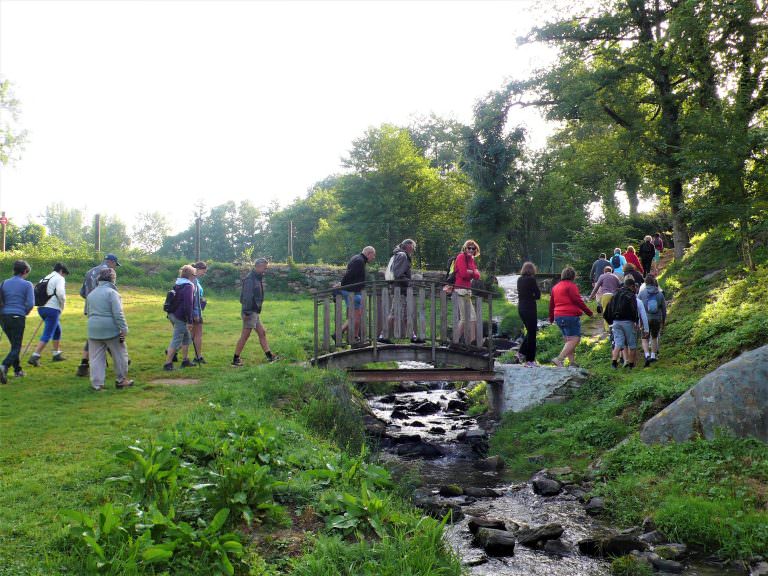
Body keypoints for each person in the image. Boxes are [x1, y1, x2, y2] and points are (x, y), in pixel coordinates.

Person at [86, 267, 132, 391]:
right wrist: (124, 328)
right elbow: (118, 313)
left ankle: (97, 385)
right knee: (120, 355)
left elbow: (88, 312)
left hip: (93, 328)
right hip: (110, 329)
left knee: (96, 359)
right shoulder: (112, 293)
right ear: (113, 279)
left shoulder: (91, 294)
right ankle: (121, 380)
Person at [76, 254, 121, 377]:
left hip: (90, 307)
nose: (115, 268)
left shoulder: (89, 271)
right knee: (109, 333)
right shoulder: (108, 272)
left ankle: (84, 364)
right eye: (115, 265)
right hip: (104, 308)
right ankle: (121, 361)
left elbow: (82, 292)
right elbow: (110, 291)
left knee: (94, 334)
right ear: (111, 262)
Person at [233, 258, 278, 366]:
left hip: (254, 311)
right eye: (264, 268)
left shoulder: (257, 278)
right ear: (257, 266)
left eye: (266, 268)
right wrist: (247, 312)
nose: (265, 270)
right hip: (250, 311)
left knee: (262, 332)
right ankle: (235, 359)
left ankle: (269, 356)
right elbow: (246, 297)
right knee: (245, 335)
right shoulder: (250, 279)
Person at [548, 266, 593, 368]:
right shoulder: (571, 286)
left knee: (568, 341)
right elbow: (577, 300)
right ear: (573, 276)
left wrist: (551, 318)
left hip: (558, 316)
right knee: (575, 339)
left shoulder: (555, 287)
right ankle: (559, 359)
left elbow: (551, 304)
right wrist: (589, 312)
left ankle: (572, 363)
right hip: (570, 316)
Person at [28, 263, 70, 367]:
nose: (64, 276)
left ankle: (56, 354)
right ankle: (35, 356)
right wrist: (62, 306)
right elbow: (60, 293)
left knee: (57, 330)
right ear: (61, 271)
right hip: (52, 309)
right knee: (48, 333)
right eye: (64, 274)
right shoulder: (59, 278)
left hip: (41, 308)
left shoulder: (46, 277)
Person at [0, 260, 34, 383]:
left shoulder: (4, 283)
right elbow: (30, 303)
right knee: (16, 347)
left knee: (14, 345)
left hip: (3, 318)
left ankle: (17, 370)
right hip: (17, 317)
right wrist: (24, 312)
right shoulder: (27, 284)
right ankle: (4, 366)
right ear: (24, 271)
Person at [379, 239, 417, 344]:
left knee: (405, 314)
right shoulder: (403, 256)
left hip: (400, 289)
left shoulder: (399, 255)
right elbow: (398, 274)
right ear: (408, 246)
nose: (413, 249)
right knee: (395, 313)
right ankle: (382, 336)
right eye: (413, 246)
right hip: (399, 289)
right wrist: (409, 282)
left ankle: (412, 336)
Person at [605, 276, 647, 370]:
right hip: (628, 322)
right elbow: (634, 309)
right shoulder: (631, 295)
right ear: (632, 286)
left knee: (618, 343)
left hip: (615, 322)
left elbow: (608, 309)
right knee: (632, 344)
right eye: (635, 287)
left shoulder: (615, 294)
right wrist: (636, 321)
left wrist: (610, 322)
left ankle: (614, 363)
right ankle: (631, 365)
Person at [163, 265, 197, 371]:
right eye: (194, 274)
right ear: (191, 275)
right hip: (180, 316)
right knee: (177, 339)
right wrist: (190, 321)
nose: (195, 277)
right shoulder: (188, 286)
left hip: (172, 314)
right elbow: (188, 304)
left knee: (186, 337)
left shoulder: (178, 284)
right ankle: (168, 364)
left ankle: (185, 360)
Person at [339, 246, 376, 343]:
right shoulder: (359, 261)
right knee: (355, 316)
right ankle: (345, 334)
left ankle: (353, 336)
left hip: (352, 291)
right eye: (373, 255)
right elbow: (349, 274)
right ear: (369, 253)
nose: (374, 257)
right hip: (353, 292)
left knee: (357, 315)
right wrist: (341, 284)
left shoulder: (357, 258)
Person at [454, 240, 482, 347]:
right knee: (468, 317)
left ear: (476, 250)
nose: (471, 250)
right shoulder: (461, 257)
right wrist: (472, 272)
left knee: (468, 317)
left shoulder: (471, 259)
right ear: (465, 248)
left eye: (473, 248)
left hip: (467, 290)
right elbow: (463, 273)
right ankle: (470, 342)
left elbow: (477, 276)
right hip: (460, 289)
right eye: (469, 248)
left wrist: (472, 272)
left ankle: (466, 342)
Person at [638, 274, 667, 367]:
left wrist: (639, 321)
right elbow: (664, 309)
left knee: (644, 338)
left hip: (645, 319)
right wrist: (663, 321)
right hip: (656, 318)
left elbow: (638, 307)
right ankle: (653, 355)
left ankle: (647, 355)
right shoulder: (659, 293)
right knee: (654, 337)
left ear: (646, 282)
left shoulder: (642, 292)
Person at [516, 261, 541, 367]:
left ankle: (521, 353)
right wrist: (532, 297)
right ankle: (530, 361)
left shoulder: (519, 279)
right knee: (532, 334)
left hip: (521, 307)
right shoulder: (531, 279)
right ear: (532, 270)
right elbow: (538, 294)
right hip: (530, 308)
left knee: (530, 331)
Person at [588, 265, 621, 332]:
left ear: (604, 271)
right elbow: (619, 287)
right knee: (613, 312)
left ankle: (608, 329)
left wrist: (591, 297)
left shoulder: (602, 276)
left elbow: (596, 287)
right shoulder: (615, 277)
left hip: (605, 296)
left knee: (606, 312)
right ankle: (615, 328)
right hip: (614, 297)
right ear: (611, 271)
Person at [190, 261, 208, 364]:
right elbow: (193, 298)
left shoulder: (194, 280)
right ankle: (198, 357)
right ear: (198, 269)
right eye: (203, 271)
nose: (203, 274)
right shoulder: (194, 281)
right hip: (195, 311)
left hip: (195, 310)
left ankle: (173, 351)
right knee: (197, 334)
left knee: (190, 334)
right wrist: (196, 313)